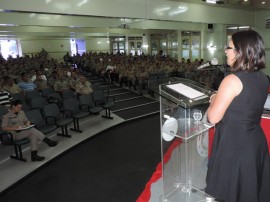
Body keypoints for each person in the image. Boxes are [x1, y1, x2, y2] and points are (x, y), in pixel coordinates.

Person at [205, 29, 270, 202]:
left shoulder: (232, 80)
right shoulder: (263, 78)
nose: (226, 50)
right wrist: (219, 97)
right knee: (248, 191)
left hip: (235, 146)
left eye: (230, 47)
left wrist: (214, 100)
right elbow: (243, 104)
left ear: (241, 51)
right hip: (254, 142)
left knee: (232, 192)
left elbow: (213, 117)